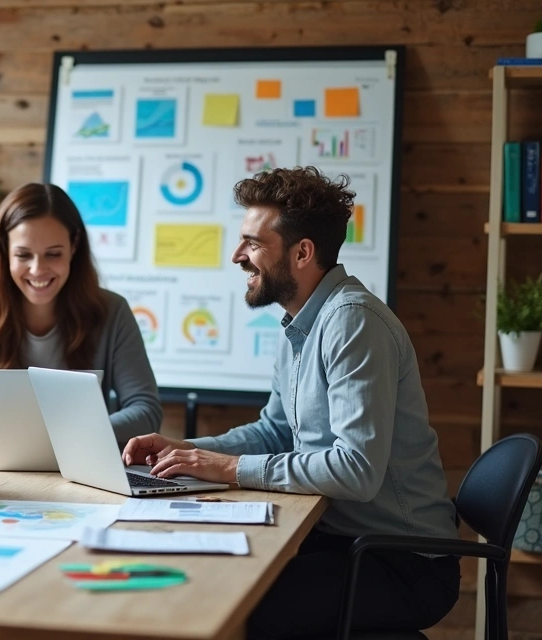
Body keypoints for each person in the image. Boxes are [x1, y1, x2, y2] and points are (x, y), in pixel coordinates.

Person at [122, 167, 460, 638]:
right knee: (215, 578)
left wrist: (229, 468)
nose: (238, 255)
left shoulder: (351, 323)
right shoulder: (301, 321)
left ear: (303, 252)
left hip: (401, 561)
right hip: (342, 539)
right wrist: (181, 450)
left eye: (253, 244)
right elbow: (274, 430)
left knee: (239, 610)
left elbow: (356, 471)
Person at [0, 182, 162, 452]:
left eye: (53, 254)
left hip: (83, 476)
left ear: (74, 246)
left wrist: (69, 435)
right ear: (4, 251)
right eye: (23, 255)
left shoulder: (113, 313)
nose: (38, 269)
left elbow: (146, 411)